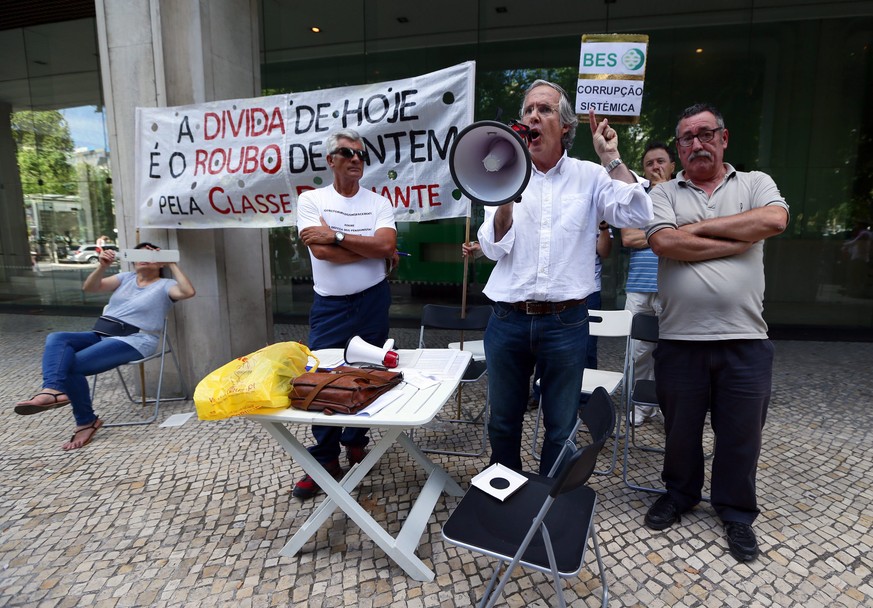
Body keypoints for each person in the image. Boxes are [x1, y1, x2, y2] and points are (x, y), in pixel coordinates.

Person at [477, 79, 653, 475]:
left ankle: (548, 496)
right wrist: (505, 199)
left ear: (566, 127)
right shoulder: (502, 175)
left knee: (561, 424)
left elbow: (641, 214)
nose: (533, 117)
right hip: (508, 318)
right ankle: (502, 489)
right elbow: (492, 248)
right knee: (503, 419)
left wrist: (611, 157)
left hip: (566, 321)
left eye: (545, 110)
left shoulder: (591, 175)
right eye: (527, 111)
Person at [644, 103, 789, 563]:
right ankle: (680, 494)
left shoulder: (755, 183)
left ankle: (736, 512)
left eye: (706, 133)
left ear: (724, 138)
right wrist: (736, 238)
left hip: (745, 338)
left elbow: (773, 221)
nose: (696, 143)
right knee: (680, 431)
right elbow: (664, 241)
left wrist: (699, 229)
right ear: (679, 146)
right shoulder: (663, 191)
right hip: (681, 340)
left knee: (741, 435)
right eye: (686, 137)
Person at [294, 128, 397, 500]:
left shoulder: (378, 202)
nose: (355, 159)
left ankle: (357, 440)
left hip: (373, 300)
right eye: (346, 152)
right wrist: (372, 252)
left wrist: (335, 236)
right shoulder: (311, 201)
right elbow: (320, 255)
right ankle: (325, 457)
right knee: (323, 377)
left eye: (360, 154)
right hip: (330, 307)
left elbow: (387, 244)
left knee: (368, 372)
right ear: (330, 160)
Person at [15, 242, 195, 450]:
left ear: (159, 262)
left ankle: (84, 420)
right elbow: (89, 288)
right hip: (100, 334)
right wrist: (102, 266)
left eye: (151, 254)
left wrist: (172, 263)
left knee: (71, 364)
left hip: (135, 339)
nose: (144, 257)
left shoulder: (165, 284)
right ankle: (52, 388)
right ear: (132, 259)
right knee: (57, 338)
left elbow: (188, 292)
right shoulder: (125, 278)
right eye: (139, 253)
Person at [622, 141, 675, 426]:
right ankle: (642, 406)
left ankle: (670, 406)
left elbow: (689, 232)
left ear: (672, 166)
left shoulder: (682, 195)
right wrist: (665, 236)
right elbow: (628, 238)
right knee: (639, 351)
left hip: (673, 285)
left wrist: (652, 235)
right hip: (639, 286)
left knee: (672, 351)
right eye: (649, 164)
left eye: (661, 162)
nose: (655, 167)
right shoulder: (636, 196)